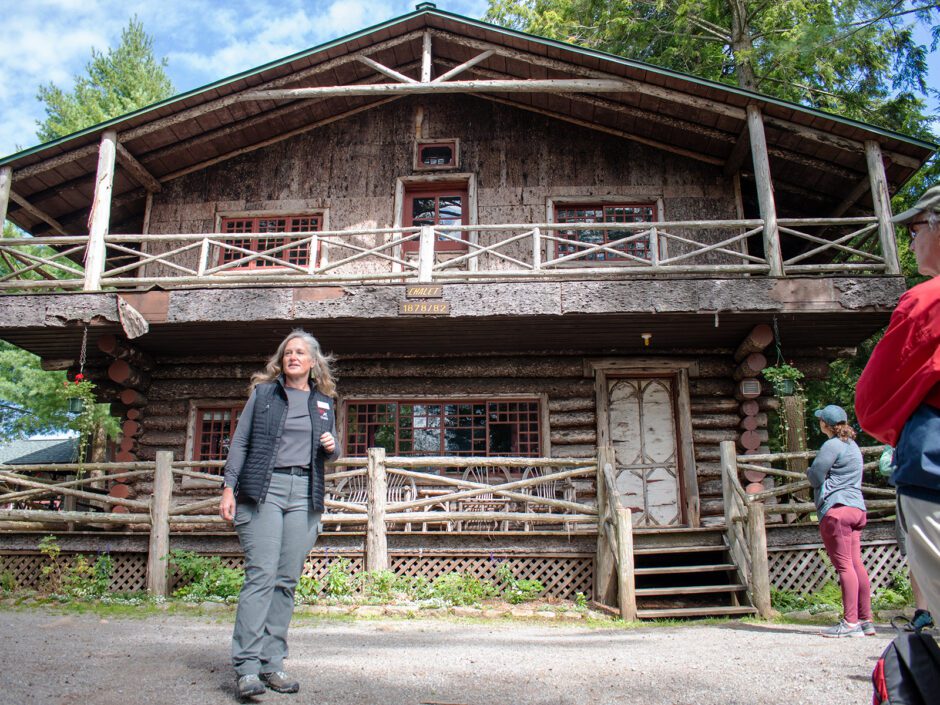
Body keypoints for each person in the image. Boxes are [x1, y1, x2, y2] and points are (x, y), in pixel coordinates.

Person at [219, 329, 339, 698]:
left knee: (286, 581)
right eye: (288, 352)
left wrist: (332, 447)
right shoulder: (264, 394)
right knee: (261, 576)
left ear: (313, 362)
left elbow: (329, 452)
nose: (293, 357)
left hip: (304, 493)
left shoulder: (323, 403)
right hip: (265, 491)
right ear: (281, 360)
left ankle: (273, 665)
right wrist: (228, 486)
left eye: (301, 352)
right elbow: (241, 441)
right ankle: (247, 668)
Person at [856, 184, 940, 621]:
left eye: (915, 228)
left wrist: (896, 430)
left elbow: (873, 399)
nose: (910, 240)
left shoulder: (927, 300)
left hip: (934, 468)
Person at [807, 404, 873, 638]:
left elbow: (816, 475)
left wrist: (808, 472)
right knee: (856, 565)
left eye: (820, 421)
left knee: (845, 566)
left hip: (837, 510)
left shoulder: (831, 445)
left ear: (825, 424)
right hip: (856, 508)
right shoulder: (852, 446)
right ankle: (865, 620)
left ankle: (850, 623)